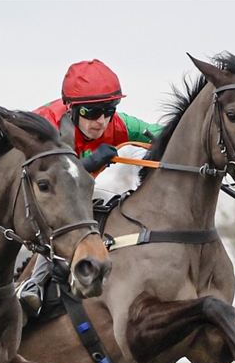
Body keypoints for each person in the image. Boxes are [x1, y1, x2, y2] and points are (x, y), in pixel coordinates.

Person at [19, 60, 165, 315]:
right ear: (72, 108)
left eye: (109, 110)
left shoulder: (117, 124)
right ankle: (33, 284)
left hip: (70, 198)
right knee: (69, 213)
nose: (101, 121)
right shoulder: (48, 124)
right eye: (91, 112)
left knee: (112, 202)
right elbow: (50, 178)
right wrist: (88, 163)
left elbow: (164, 133)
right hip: (31, 197)